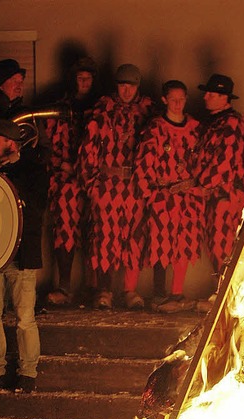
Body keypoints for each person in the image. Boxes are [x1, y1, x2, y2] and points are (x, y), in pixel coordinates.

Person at [0, 119, 49, 394]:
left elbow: (37, 206)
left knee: (25, 316)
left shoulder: (33, 170)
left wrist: (5, 174)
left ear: (11, 144)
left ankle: (28, 373)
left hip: (21, 254)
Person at [78, 63, 154, 310]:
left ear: (137, 87)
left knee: (134, 237)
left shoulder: (147, 113)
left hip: (134, 184)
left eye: (131, 86)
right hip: (108, 183)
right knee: (105, 238)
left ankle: (130, 290)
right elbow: (89, 149)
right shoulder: (103, 111)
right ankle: (105, 290)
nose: (127, 91)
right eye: (122, 85)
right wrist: (92, 185)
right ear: (117, 86)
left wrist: (147, 186)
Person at [133, 80, 203, 313]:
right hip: (163, 196)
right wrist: (151, 194)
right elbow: (143, 165)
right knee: (160, 243)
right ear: (164, 100)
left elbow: (202, 162)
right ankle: (159, 294)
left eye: (182, 99)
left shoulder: (194, 128)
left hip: (188, 196)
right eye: (173, 99)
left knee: (184, 243)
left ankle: (177, 292)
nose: (177, 103)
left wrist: (196, 187)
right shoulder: (155, 129)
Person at [45, 57, 102, 307]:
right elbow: (49, 143)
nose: (84, 82)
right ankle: (65, 285)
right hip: (66, 180)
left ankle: (94, 288)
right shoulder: (60, 108)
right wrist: (62, 165)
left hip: (95, 181)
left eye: (88, 78)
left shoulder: (102, 109)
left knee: (98, 230)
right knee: (65, 230)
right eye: (80, 78)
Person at [192, 74, 244, 310]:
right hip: (214, 194)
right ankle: (222, 292)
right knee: (215, 244)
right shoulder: (213, 122)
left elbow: (224, 162)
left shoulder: (232, 123)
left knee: (223, 243)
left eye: (211, 94)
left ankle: (227, 295)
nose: (206, 97)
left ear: (224, 97)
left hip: (226, 195)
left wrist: (202, 185)